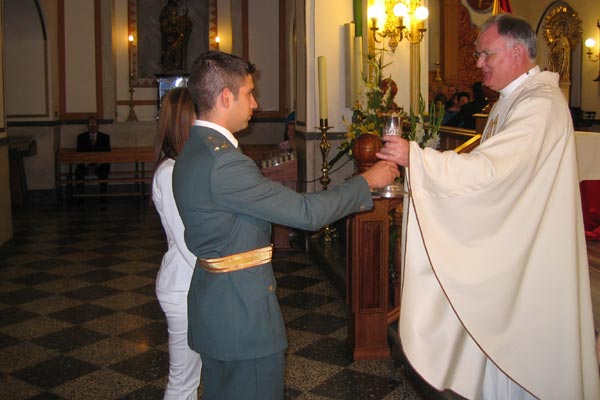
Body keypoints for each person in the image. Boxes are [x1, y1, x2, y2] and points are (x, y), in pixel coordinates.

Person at [376, 14, 600, 400]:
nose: (478, 62)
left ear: (516, 52)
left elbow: (494, 170)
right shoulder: (510, 101)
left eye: (485, 54)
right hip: (518, 245)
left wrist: (418, 158)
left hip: (532, 258)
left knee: (524, 360)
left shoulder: (540, 105)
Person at [172, 50, 399, 400]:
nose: (256, 103)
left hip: (216, 306)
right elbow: (306, 213)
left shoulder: (194, 151)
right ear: (225, 97)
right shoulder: (224, 163)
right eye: (249, 93)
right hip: (241, 317)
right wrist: (366, 181)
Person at [152, 87, 202, 400]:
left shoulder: (183, 166)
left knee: (196, 376)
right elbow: (189, 242)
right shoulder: (169, 172)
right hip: (183, 286)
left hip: (194, 284)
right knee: (183, 382)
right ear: (186, 120)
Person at [75, 116, 111, 194]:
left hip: (100, 164)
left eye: (94, 123)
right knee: (78, 172)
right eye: (90, 123)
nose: (92, 125)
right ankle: (80, 192)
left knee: (104, 171)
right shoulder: (81, 137)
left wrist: (97, 164)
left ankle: (103, 193)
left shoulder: (105, 137)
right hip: (85, 164)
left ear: (98, 125)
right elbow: (79, 152)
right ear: (87, 125)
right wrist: (87, 164)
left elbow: (107, 153)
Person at [160, 0, 192, 74]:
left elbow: (185, 24)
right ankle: (168, 68)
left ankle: (179, 67)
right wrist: (170, 28)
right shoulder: (166, 10)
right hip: (169, 37)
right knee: (169, 52)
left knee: (179, 52)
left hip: (179, 37)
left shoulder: (180, 10)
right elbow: (163, 24)